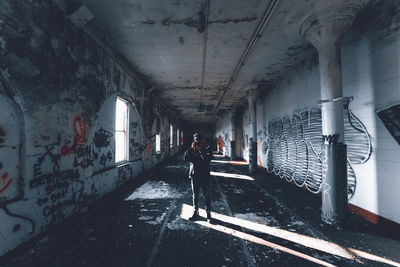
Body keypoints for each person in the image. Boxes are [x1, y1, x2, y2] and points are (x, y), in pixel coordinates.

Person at [184, 132, 213, 222]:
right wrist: (192, 149)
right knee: (195, 195)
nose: (198, 143)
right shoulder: (192, 150)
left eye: (199, 142)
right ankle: (195, 211)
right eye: (196, 142)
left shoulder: (207, 149)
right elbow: (185, 158)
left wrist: (201, 151)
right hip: (194, 175)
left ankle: (208, 213)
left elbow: (208, 159)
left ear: (202, 141)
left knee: (207, 195)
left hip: (204, 175)